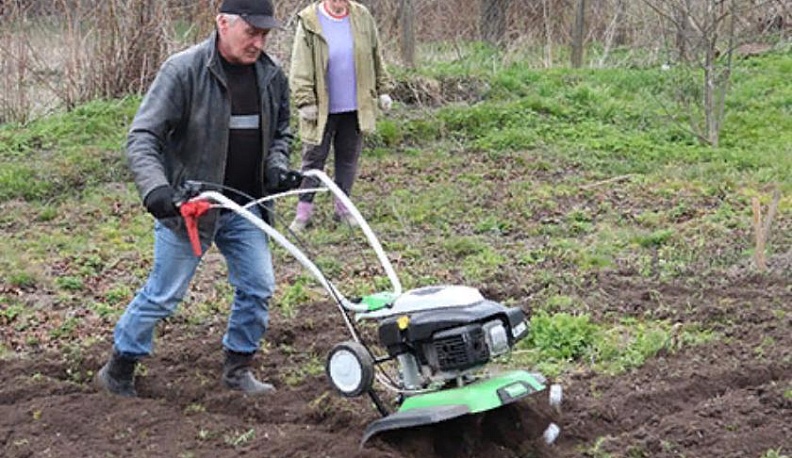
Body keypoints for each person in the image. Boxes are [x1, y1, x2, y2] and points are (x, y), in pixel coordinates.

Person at [96, 0, 301, 397]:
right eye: (251, 32)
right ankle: (119, 367)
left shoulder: (271, 76)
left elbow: (282, 133)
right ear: (223, 23)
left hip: (245, 205)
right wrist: (156, 188)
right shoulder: (185, 70)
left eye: (264, 34)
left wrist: (275, 166)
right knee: (164, 293)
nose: (258, 42)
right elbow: (143, 137)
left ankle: (238, 367)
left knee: (258, 285)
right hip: (192, 207)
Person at [288, 0, 393, 231]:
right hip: (321, 107)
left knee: (347, 158)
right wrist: (305, 100)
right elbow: (300, 64)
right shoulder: (309, 20)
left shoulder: (362, 16)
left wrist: (383, 88)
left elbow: (376, 54)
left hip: (355, 104)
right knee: (314, 158)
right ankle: (303, 212)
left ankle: (343, 208)